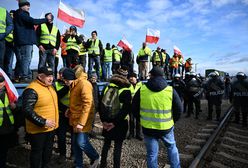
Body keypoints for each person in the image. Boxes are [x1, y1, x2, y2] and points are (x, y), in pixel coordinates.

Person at [132, 66, 182, 168]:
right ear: (162, 76)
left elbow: (134, 108)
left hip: (148, 128)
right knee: (172, 147)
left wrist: (141, 120)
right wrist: (173, 121)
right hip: (166, 127)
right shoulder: (170, 90)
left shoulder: (142, 89)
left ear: (151, 75)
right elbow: (179, 109)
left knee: (152, 154)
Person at [62, 66, 100, 168]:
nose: (64, 82)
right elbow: (76, 101)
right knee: (75, 143)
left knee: (81, 142)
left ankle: (95, 157)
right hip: (75, 118)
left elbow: (87, 104)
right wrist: (69, 109)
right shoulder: (74, 84)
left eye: (65, 80)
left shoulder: (84, 84)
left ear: (71, 78)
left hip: (83, 119)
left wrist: (81, 123)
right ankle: (78, 165)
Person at [22, 66, 59, 168]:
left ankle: (45, 165)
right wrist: (43, 122)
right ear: (40, 76)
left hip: (51, 128)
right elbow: (27, 110)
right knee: (37, 152)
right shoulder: (31, 89)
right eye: (48, 76)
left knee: (48, 151)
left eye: (51, 75)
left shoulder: (50, 87)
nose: (51, 78)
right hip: (38, 130)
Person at [99, 68, 131, 168]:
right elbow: (125, 110)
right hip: (120, 123)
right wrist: (114, 123)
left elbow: (100, 106)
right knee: (118, 147)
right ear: (126, 77)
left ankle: (102, 165)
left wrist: (104, 121)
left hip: (106, 122)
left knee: (106, 145)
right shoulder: (126, 90)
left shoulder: (107, 87)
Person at [13, 0, 51, 82]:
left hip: (20, 41)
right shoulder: (22, 14)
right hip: (25, 41)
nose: (29, 7)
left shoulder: (17, 14)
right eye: (27, 5)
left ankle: (18, 76)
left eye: (29, 6)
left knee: (21, 59)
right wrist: (46, 19)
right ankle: (25, 76)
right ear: (22, 6)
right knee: (26, 58)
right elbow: (33, 21)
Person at [0, 74, 17, 168]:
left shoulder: (9, 94)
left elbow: (16, 110)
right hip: (2, 128)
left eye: (1, 82)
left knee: (4, 150)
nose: (0, 84)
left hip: (7, 128)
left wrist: (15, 107)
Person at [54, 67, 71, 161]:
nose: (61, 76)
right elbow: (56, 97)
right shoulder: (55, 84)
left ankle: (73, 154)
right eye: (60, 74)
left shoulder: (73, 83)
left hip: (72, 113)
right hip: (61, 113)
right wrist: (65, 109)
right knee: (61, 136)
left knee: (74, 135)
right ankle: (62, 154)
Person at [127, 72, 143, 140]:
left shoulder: (141, 85)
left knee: (138, 121)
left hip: (139, 105)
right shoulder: (127, 85)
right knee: (131, 120)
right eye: (130, 77)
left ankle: (138, 134)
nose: (131, 78)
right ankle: (131, 133)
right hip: (130, 105)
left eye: (132, 77)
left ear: (136, 78)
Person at [3, 10, 15, 80]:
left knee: (9, 61)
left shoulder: (16, 24)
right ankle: (6, 76)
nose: (11, 16)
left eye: (13, 15)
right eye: (10, 15)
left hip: (12, 44)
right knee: (5, 60)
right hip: (5, 42)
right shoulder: (5, 23)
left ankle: (8, 76)